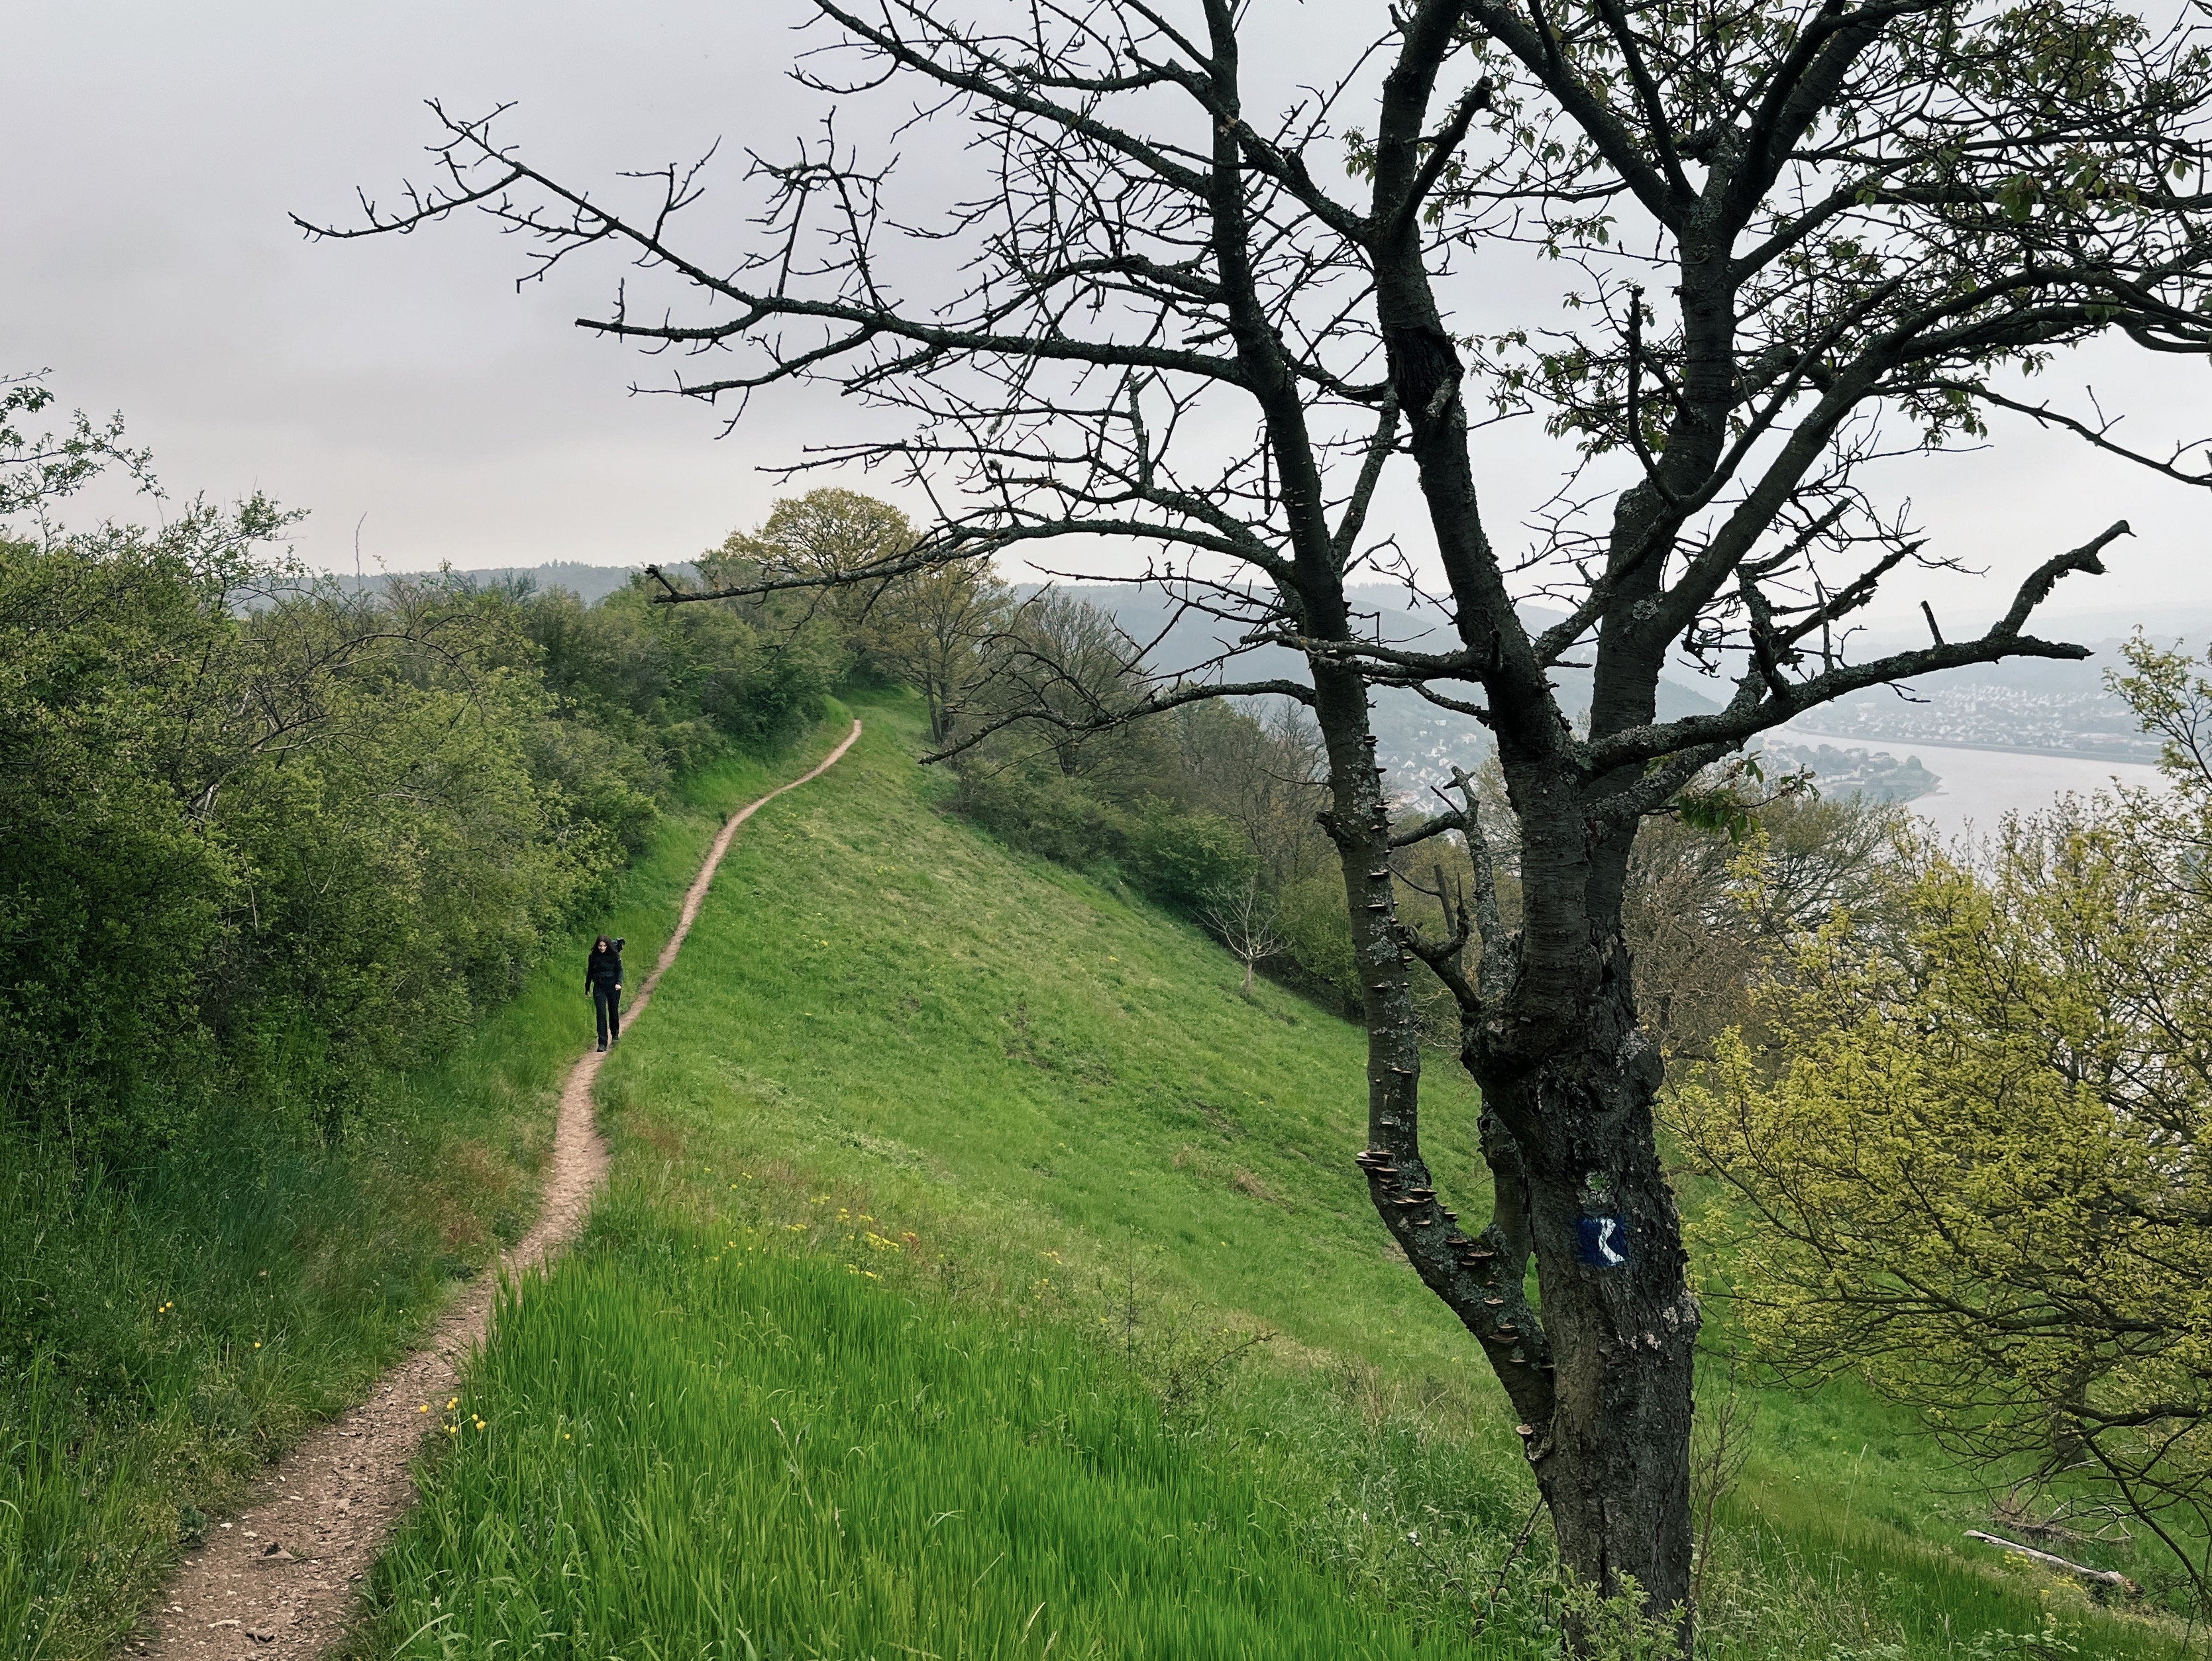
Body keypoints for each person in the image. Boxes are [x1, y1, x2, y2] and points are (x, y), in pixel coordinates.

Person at [586, 934, 625, 1051]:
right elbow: (590, 973)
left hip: (613, 986)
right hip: (599, 987)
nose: (602, 948)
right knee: (601, 1013)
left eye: (604, 946)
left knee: (613, 1011)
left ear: (608, 946)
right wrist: (587, 988)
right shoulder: (593, 957)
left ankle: (615, 1035)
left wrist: (619, 983)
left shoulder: (614, 956)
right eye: (600, 946)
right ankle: (602, 1042)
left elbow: (619, 971)